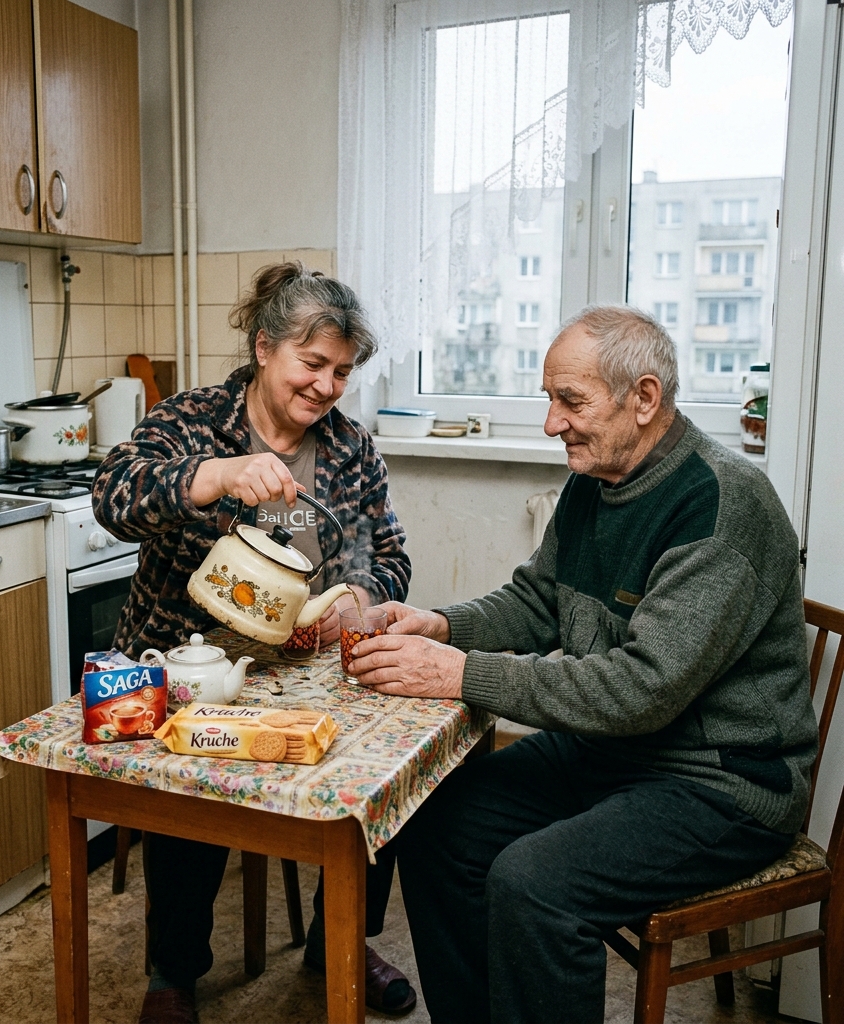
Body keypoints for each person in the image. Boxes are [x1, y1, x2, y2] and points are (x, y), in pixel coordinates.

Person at [348, 305, 818, 1024]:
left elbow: (641, 690)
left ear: (645, 398)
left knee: (534, 883)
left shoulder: (722, 503)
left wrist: (457, 674)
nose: (550, 423)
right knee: (435, 822)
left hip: (723, 782)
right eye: (548, 399)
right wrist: (441, 625)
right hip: (618, 757)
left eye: (571, 402)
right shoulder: (595, 480)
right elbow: (539, 601)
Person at [92, 263, 416, 1024]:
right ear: (266, 348)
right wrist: (214, 475)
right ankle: (174, 973)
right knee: (190, 781)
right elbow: (113, 495)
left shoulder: (350, 448)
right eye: (313, 364)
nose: (327, 386)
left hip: (305, 668)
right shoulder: (192, 420)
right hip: (188, 661)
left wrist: (361, 598)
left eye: (341, 371)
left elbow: (392, 555)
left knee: (382, 770)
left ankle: (341, 940)